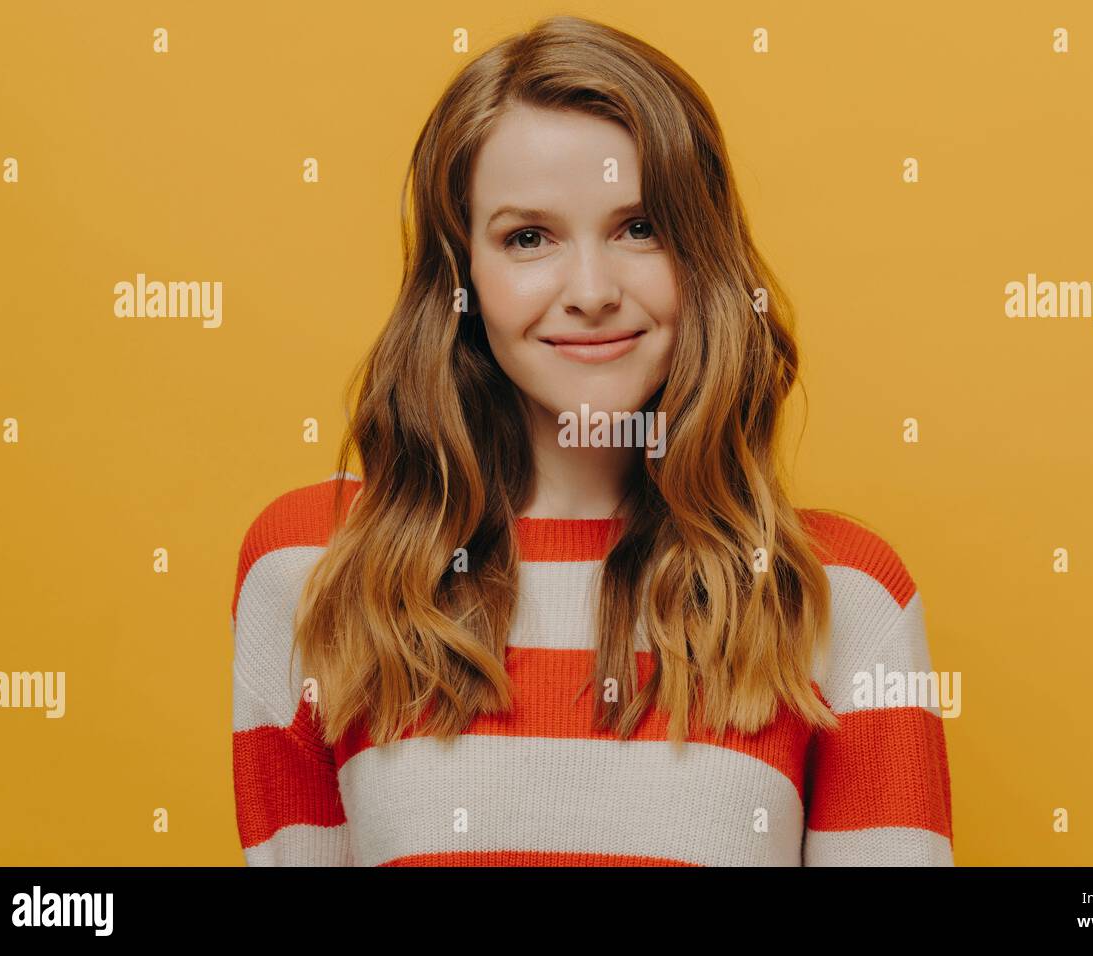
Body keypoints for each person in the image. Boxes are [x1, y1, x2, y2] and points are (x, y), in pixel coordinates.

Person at [230, 14, 953, 866]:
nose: (591, 291)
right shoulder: (312, 568)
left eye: (639, 227)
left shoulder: (844, 597)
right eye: (527, 237)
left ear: (703, 259)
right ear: (462, 276)